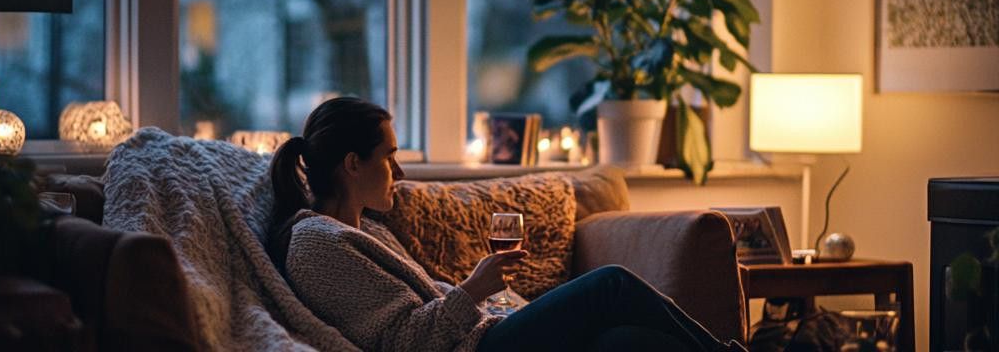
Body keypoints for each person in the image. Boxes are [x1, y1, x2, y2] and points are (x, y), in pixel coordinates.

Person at [267, 97, 747, 352]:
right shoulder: (317, 243)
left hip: (487, 332)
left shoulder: (369, 231)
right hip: (479, 348)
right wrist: (473, 290)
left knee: (628, 342)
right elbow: (403, 342)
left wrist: (494, 303)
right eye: (390, 157)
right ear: (353, 164)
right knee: (610, 286)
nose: (400, 172)